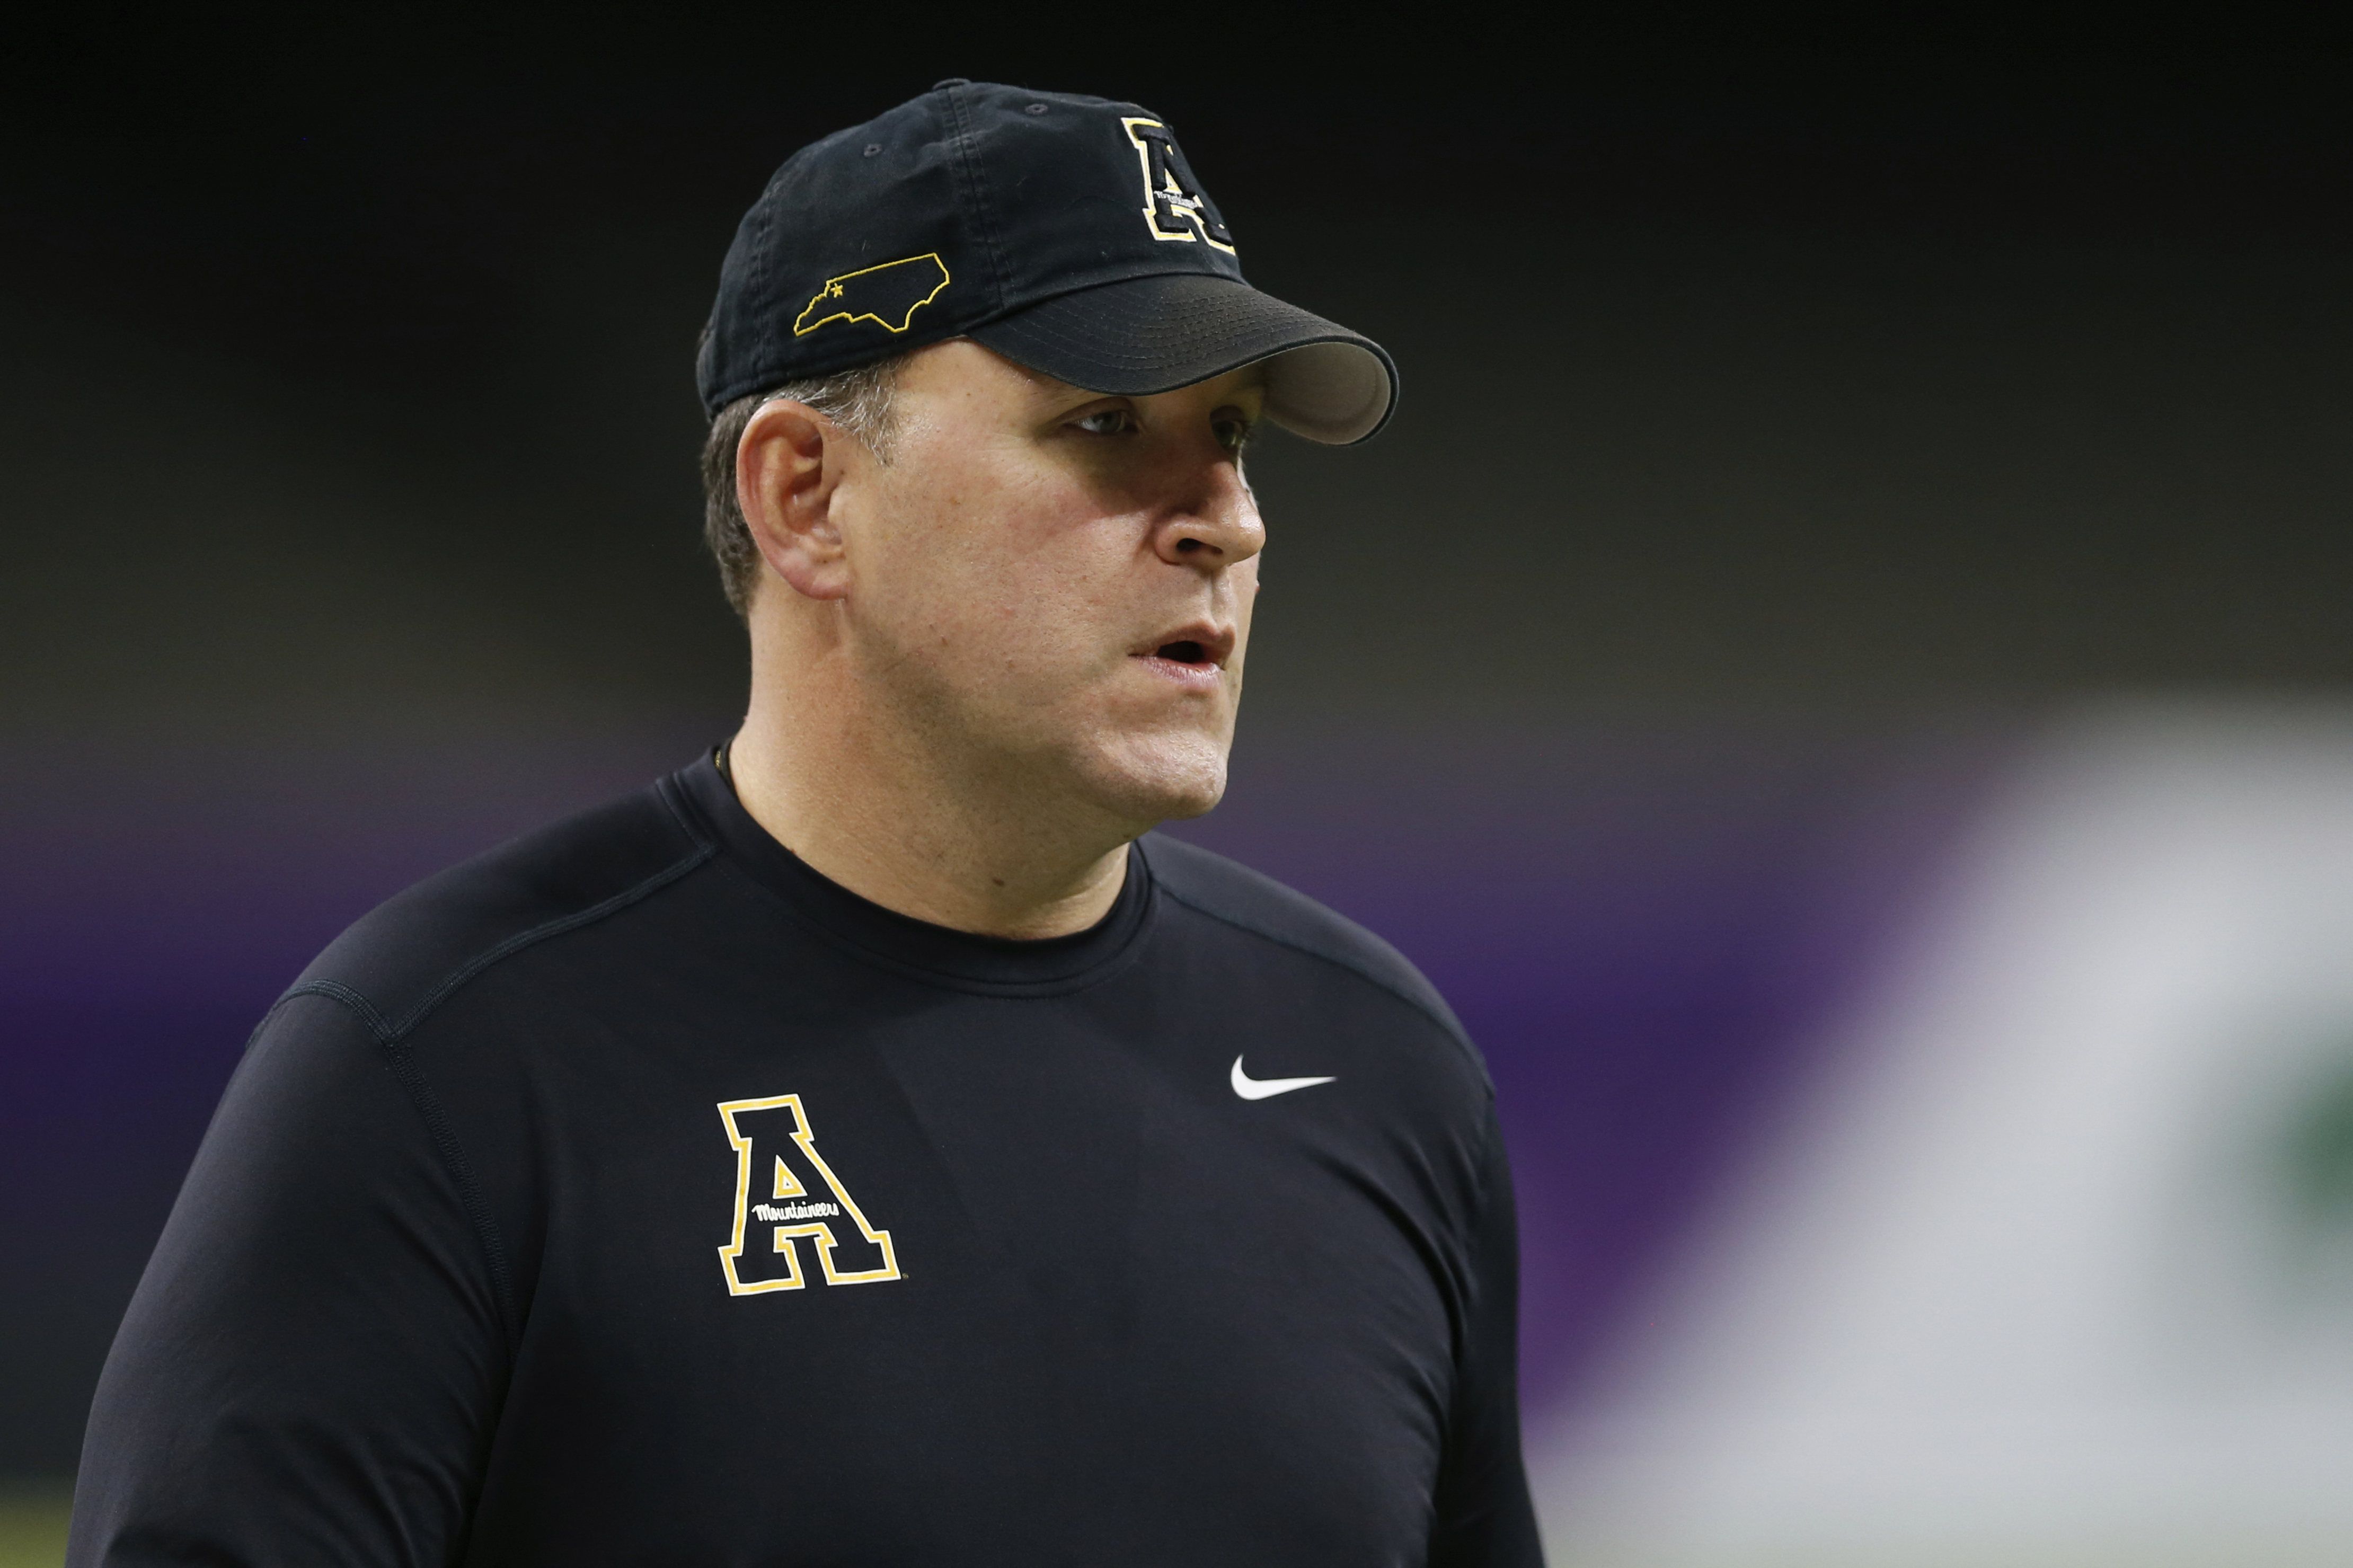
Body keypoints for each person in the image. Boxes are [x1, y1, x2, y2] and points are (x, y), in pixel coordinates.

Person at [67, 81, 1541, 1567]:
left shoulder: (1379, 1066)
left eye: (1231, 433)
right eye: (1106, 423)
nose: (1229, 516)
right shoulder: (441, 1068)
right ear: (808, 493)